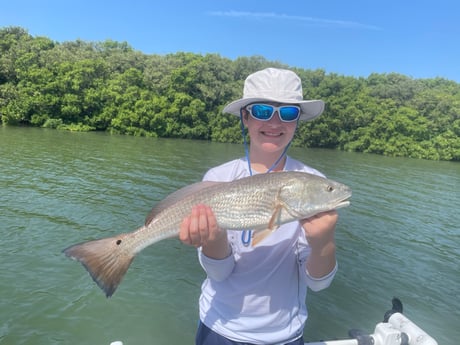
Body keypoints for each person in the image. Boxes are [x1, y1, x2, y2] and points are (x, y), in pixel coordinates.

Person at [179, 67, 339, 345]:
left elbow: (318, 284)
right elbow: (218, 272)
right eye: (263, 111)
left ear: (298, 121)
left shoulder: (313, 183)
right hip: (219, 328)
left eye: (288, 113)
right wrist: (214, 239)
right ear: (245, 116)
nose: (275, 123)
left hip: (284, 335)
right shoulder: (218, 179)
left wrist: (323, 242)